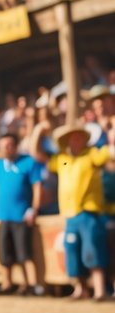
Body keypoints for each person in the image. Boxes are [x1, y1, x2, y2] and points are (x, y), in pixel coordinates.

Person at [35, 123, 110, 299]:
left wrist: (108, 132)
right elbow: (37, 154)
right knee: (73, 250)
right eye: (72, 137)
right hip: (69, 213)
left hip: (88, 212)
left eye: (79, 136)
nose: (76, 140)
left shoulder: (92, 155)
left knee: (93, 250)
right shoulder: (63, 159)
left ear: (85, 139)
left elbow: (107, 154)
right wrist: (38, 130)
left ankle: (100, 290)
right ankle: (81, 289)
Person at [0, 133, 45, 295]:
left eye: (10, 145)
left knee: (24, 253)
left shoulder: (28, 162)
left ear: (16, 146)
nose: (7, 148)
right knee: (5, 253)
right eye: (3, 145)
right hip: (3, 216)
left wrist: (34, 208)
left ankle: (33, 285)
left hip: (21, 215)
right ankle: (7, 284)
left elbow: (37, 187)